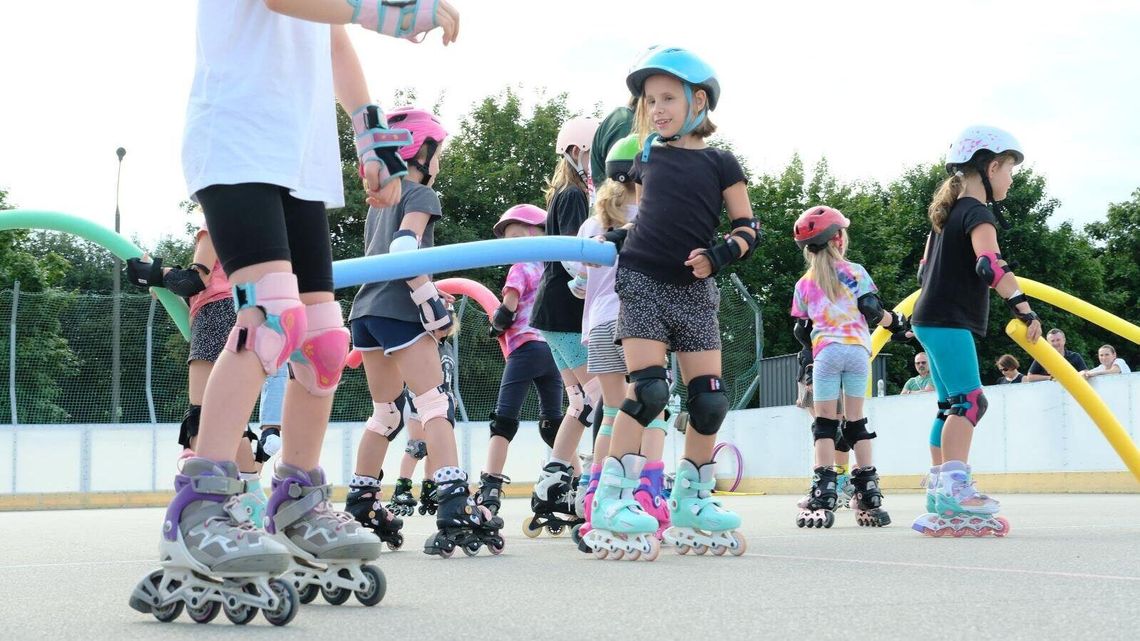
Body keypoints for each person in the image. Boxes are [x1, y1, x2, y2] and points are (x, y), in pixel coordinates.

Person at [130, 1, 460, 623]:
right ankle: (199, 504)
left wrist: (371, 137)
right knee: (272, 319)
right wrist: (389, 13)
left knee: (325, 343)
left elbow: (333, 43)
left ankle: (297, 497)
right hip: (237, 143)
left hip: (300, 160)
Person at [585, 46, 759, 560]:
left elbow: (749, 229)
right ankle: (613, 499)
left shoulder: (722, 162)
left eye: (667, 98)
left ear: (699, 100)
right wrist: (617, 236)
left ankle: (692, 500)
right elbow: (642, 211)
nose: (656, 109)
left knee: (709, 400)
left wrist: (721, 254)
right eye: (649, 100)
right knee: (650, 393)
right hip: (642, 282)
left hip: (695, 292)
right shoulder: (647, 156)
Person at [344, 106, 504, 558]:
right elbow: (404, 249)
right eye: (439, 154)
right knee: (435, 403)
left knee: (387, 415)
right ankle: (455, 504)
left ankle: (362, 503)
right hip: (398, 309)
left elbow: (387, 253)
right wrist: (429, 302)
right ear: (422, 152)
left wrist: (428, 291)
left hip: (365, 313)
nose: (440, 164)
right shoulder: (418, 195)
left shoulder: (380, 203)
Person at [910, 125, 1042, 537]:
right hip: (947, 319)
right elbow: (991, 266)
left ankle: (939, 489)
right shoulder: (977, 213)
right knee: (971, 403)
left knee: (950, 405)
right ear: (992, 165)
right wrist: (1023, 309)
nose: (1011, 180)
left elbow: (922, 271)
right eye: (1010, 171)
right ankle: (954, 489)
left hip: (928, 316)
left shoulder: (947, 216)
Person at [126, 225, 269, 524]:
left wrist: (156, 273)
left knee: (204, 415)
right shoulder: (250, 230)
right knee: (227, 416)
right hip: (243, 311)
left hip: (218, 313)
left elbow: (194, 280)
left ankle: (213, 500)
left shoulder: (214, 226)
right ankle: (253, 501)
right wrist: (163, 280)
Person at [572, 134, 673, 550]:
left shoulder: (594, 221)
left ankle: (598, 497)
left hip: (597, 326)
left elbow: (577, 280)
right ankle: (646, 495)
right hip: (638, 323)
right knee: (651, 412)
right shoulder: (655, 217)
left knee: (612, 413)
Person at [791, 206, 907, 529]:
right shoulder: (856, 272)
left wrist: (810, 351)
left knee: (826, 425)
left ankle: (824, 491)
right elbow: (872, 309)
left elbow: (801, 331)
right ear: (838, 238)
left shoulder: (804, 284)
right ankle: (868, 491)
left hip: (826, 354)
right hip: (858, 352)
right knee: (857, 422)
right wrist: (897, 323)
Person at [527, 116, 601, 537]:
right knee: (599, 395)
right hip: (566, 307)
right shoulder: (574, 196)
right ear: (576, 153)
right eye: (593, 154)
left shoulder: (564, 194)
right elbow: (576, 254)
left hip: (552, 312)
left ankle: (553, 483)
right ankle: (592, 483)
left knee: (580, 402)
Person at [476, 205, 565, 524]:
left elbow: (508, 308)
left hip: (525, 349)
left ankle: (490, 487)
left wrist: (497, 325)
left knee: (504, 420)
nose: (510, 244)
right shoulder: (554, 268)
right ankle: (568, 486)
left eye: (514, 236)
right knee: (554, 423)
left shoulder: (521, 267)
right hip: (553, 351)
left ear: (532, 235)